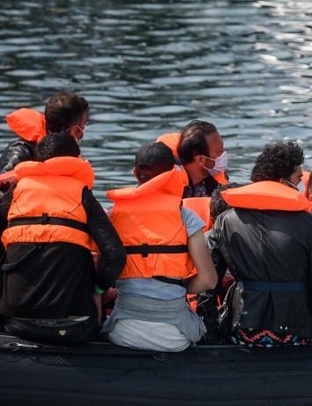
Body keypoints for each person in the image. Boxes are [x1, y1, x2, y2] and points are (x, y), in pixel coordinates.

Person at [209, 141, 312, 347]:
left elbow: (209, 282)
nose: (302, 183)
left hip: (243, 329)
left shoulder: (226, 220)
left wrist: (210, 331)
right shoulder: (308, 223)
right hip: (295, 331)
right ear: (283, 182)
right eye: (299, 177)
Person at [0, 132, 125, 343]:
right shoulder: (83, 194)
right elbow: (115, 255)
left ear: (37, 162)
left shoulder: (17, 191)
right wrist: (98, 289)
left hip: (17, 323)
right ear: (76, 161)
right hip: (76, 327)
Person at [102, 142, 217, 352]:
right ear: (172, 175)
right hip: (174, 337)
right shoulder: (186, 217)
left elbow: (102, 270)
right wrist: (179, 286)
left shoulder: (113, 214)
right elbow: (209, 280)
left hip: (122, 331)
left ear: (135, 173)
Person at [1, 91, 90, 175]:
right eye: (83, 124)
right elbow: (4, 185)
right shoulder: (20, 152)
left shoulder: (69, 155)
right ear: (73, 129)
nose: (83, 129)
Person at [175, 120, 228, 198]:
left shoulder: (215, 181)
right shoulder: (172, 187)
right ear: (201, 160)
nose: (224, 153)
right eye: (219, 151)